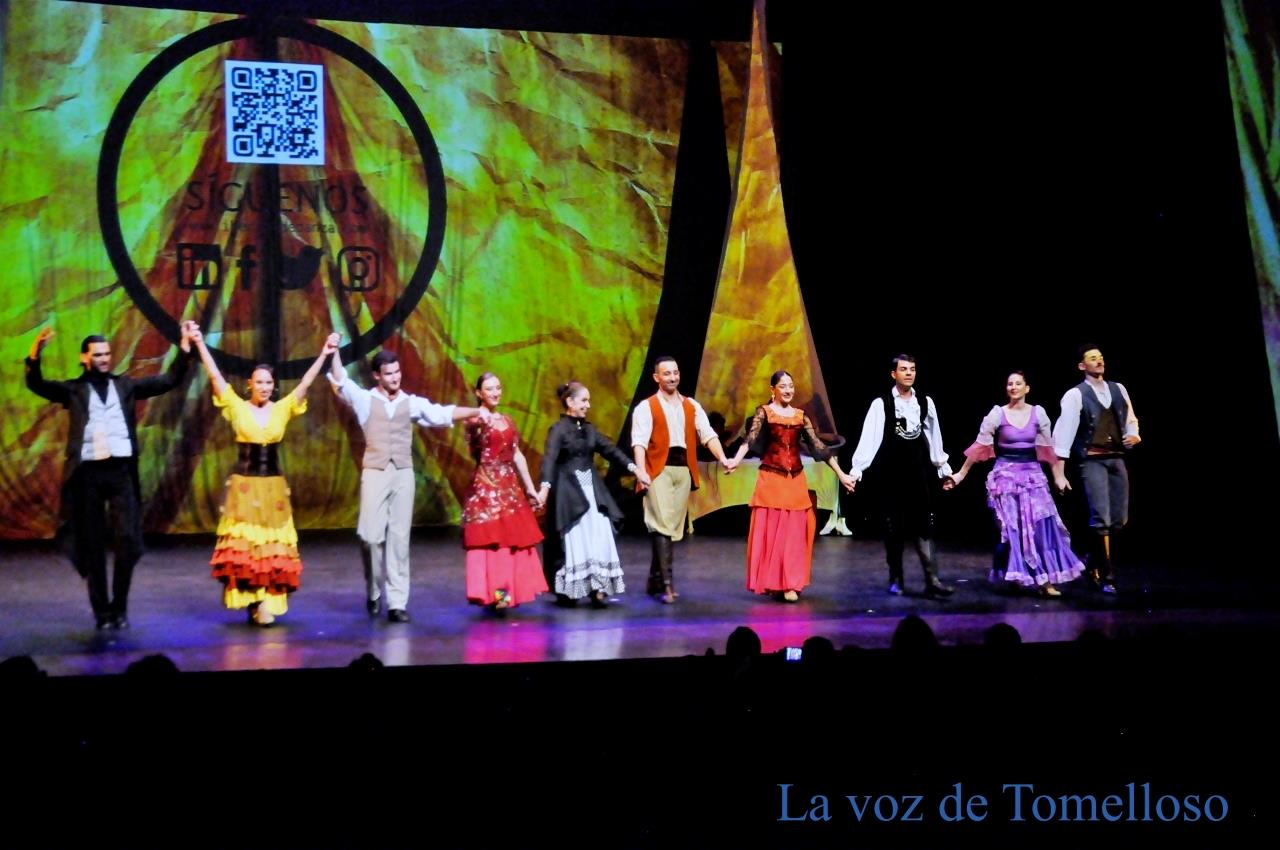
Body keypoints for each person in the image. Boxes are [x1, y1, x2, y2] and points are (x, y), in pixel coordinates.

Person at [24, 321, 195, 629]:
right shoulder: (74, 390)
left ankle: (120, 608)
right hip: (88, 475)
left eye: (106, 354)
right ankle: (102, 613)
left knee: (127, 539)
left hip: (120, 473)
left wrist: (184, 348)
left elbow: (168, 380)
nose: (104, 359)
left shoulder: (125, 386)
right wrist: (35, 354)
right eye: (98, 354)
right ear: (84, 358)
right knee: (93, 546)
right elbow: (38, 385)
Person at [328, 348, 489, 622]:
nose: (395, 378)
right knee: (369, 537)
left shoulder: (410, 403)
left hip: (402, 473)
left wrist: (477, 410)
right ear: (377, 376)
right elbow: (341, 378)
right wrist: (333, 352)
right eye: (388, 374)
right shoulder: (365, 399)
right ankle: (373, 590)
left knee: (399, 538)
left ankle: (397, 602)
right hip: (375, 471)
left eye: (397, 372)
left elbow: (442, 413)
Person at [193, 327, 337, 625]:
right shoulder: (236, 406)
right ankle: (252, 599)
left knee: (271, 544)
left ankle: (267, 601)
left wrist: (325, 353)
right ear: (249, 385)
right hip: (245, 487)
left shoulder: (282, 409)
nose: (265, 387)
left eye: (269, 382)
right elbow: (215, 375)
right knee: (247, 543)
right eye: (259, 382)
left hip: (272, 488)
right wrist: (199, 343)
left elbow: (306, 383)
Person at [945, 371, 1085, 596]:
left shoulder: (1038, 413)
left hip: (1032, 477)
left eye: (1018, 383)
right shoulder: (997, 414)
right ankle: (1018, 575)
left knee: (1041, 527)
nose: (1013, 387)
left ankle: (1045, 581)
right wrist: (960, 474)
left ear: (1026, 388)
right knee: (1013, 530)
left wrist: (1059, 476)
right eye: (1010, 384)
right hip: (1005, 478)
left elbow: (1048, 449)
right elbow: (980, 446)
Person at [727, 370, 855, 601]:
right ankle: (775, 581)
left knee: (794, 533)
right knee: (774, 531)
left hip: (795, 479)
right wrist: (735, 460)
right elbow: (750, 439)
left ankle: (790, 584)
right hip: (771, 478)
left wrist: (842, 474)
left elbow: (819, 447)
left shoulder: (800, 416)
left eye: (791, 386)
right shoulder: (764, 412)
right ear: (773, 390)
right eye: (783, 386)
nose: (788, 390)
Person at [847, 354, 955, 598]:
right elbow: (869, 439)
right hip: (891, 475)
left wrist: (943, 469)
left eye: (912, 369)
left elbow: (934, 437)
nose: (909, 373)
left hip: (917, 474)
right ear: (893, 374)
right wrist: (856, 471)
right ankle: (896, 578)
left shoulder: (924, 402)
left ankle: (932, 579)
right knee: (894, 528)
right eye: (904, 369)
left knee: (924, 527)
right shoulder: (882, 404)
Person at [630, 355, 735, 604]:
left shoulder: (691, 405)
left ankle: (655, 578)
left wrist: (722, 458)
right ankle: (667, 584)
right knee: (661, 523)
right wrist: (641, 471)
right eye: (667, 373)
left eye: (675, 372)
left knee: (670, 528)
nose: (672, 377)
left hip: (683, 470)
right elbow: (639, 442)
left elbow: (708, 435)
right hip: (658, 470)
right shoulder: (646, 407)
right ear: (656, 377)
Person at [538, 381, 650, 607]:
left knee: (599, 533)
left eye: (588, 401)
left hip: (591, 490)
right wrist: (544, 489)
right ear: (570, 402)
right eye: (584, 400)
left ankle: (597, 587)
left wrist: (636, 470)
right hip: (569, 493)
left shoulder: (589, 429)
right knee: (575, 538)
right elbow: (549, 460)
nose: (588, 405)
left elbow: (611, 450)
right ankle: (570, 589)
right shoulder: (558, 430)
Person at [1051, 345, 1140, 594]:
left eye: (1101, 357)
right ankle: (1106, 574)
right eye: (1093, 358)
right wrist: (1059, 473)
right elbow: (1063, 434)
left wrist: (1133, 435)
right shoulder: (1075, 395)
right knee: (1101, 517)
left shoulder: (1118, 389)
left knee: (1119, 519)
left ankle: (1091, 560)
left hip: (1116, 458)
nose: (1099, 361)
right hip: (1091, 460)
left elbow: (1130, 418)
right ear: (1082, 366)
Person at [461, 372, 547, 613]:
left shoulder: (507, 420)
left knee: (511, 541)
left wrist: (530, 488)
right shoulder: (475, 420)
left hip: (510, 487)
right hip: (486, 488)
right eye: (489, 389)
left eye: (498, 387)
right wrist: (478, 421)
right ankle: (496, 593)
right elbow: (474, 445)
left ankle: (508, 593)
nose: (495, 392)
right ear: (479, 393)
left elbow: (517, 454)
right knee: (492, 543)